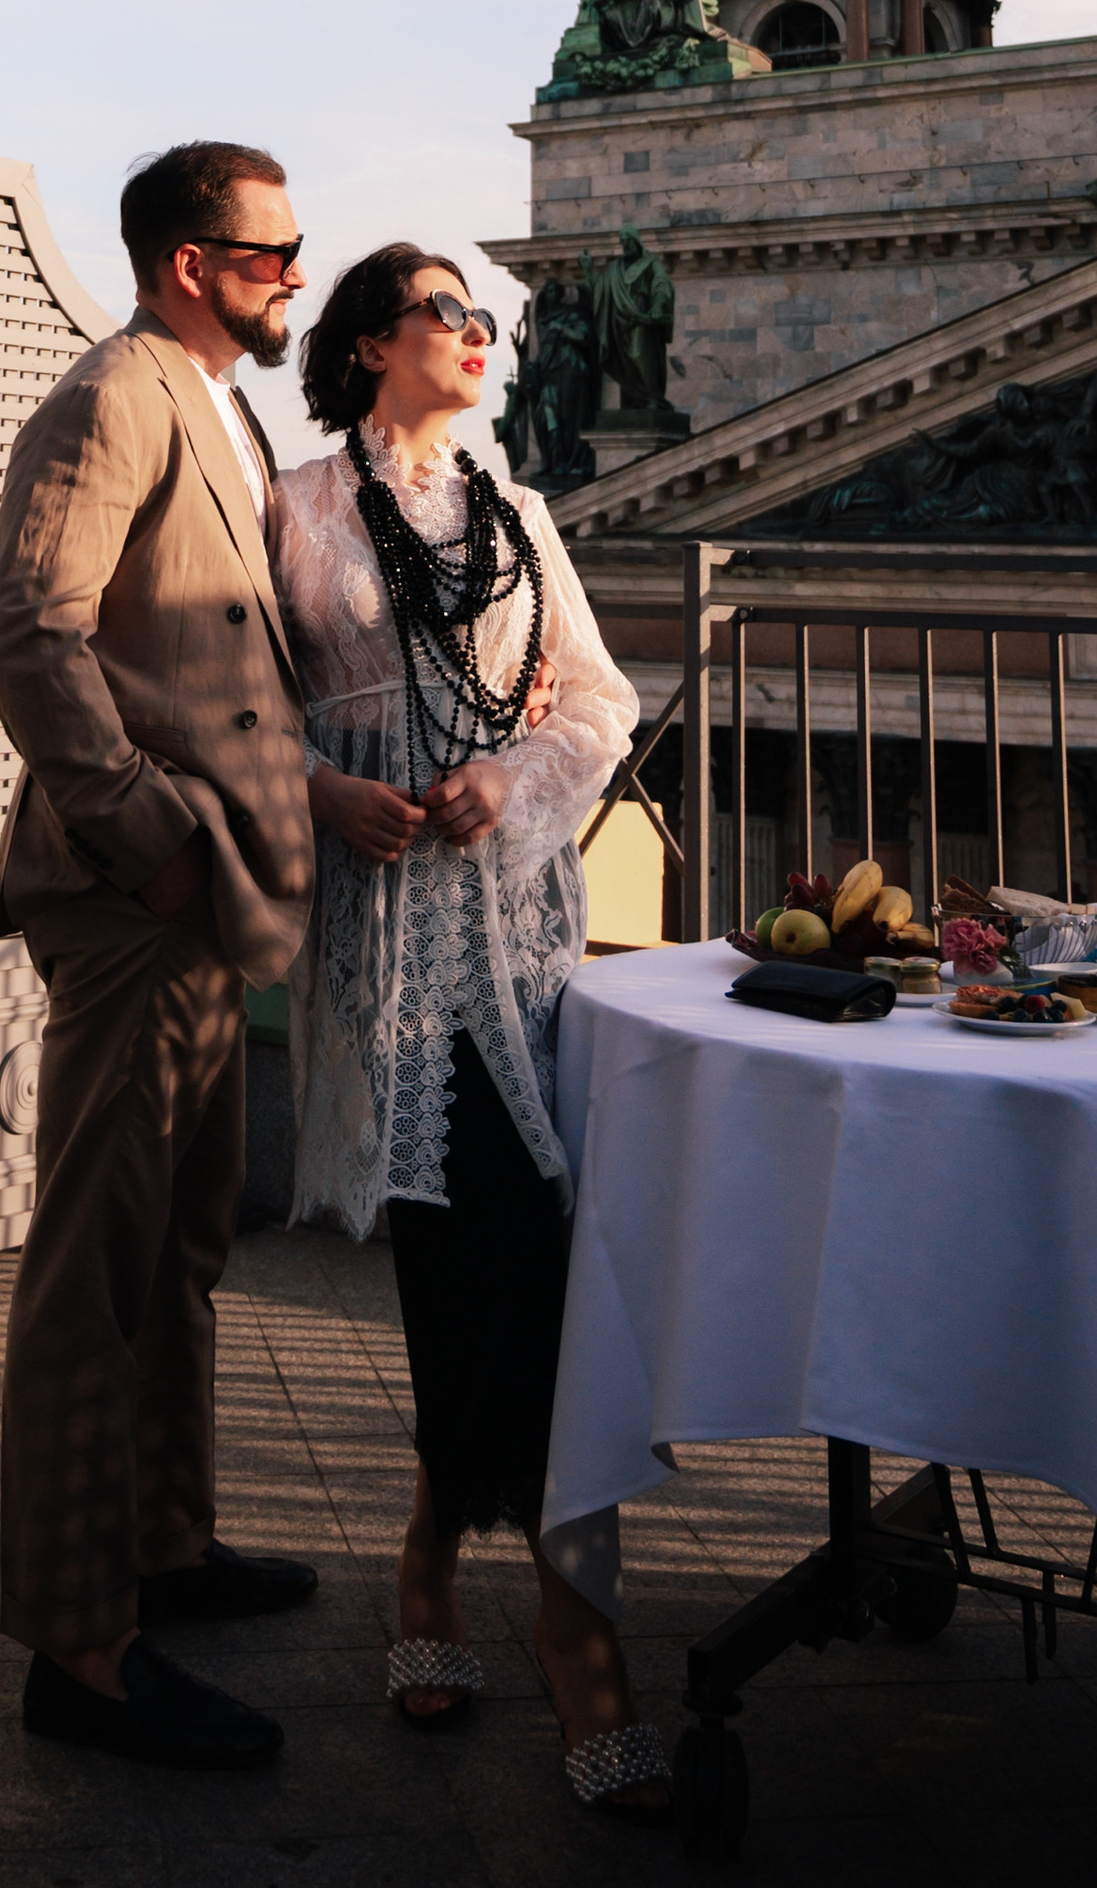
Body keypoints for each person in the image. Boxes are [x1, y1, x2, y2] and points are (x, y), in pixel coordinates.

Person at [273, 243, 672, 1821]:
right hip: (385, 946)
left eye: (484, 318)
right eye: (449, 311)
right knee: (463, 1260)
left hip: (520, 940)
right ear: (375, 342)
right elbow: (237, 698)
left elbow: (596, 701)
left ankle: (454, 1567)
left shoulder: (518, 517)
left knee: (538, 1258)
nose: (480, 334)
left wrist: (506, 781)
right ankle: (555, 1627)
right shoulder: (294, 511)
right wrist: (320, 783)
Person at [0, 140, 320, 1773]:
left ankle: (164, 1548)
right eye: (271, 254)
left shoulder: (225, 407)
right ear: (191, 260)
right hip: (136, 902)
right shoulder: (118, 393)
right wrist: (146, 830)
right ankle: (79, 1644)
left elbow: (218, 655)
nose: (293, 277)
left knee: (181, 1247)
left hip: (215, 896)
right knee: (96, 1275)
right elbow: (31, 631)